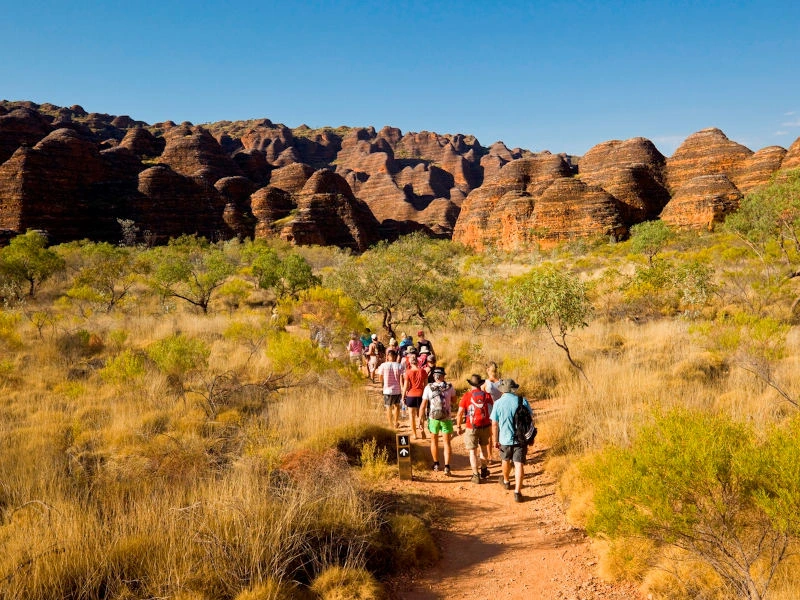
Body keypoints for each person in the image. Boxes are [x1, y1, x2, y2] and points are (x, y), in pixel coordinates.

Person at [490, 379, 534, 502]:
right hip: (520, 439)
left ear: (503, 390)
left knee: (505, 460)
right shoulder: (522, 400)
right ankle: (517, 493)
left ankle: (506, 481)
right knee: (519, 464)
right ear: (513, 389)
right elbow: (531, 418)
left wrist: (495, 440)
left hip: (504, 438)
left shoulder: (498, 403)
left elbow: (494, 424)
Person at [456, 374, 494, 484]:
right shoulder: (487, 396)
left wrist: (458, 426)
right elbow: (491, 411)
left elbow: (460, 413)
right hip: (485, 426)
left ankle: (475, 475)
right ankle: (484, 469)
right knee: (483, 448)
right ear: (480, 384)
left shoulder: (467, 396)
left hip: (471, 427)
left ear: (471, 385)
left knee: (472, 451)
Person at [420, 366, 455, 475]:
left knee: (434, 441)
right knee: (447, 443)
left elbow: (423, 405)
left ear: (434, 376)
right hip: (446, 418)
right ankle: (447, 467)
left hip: (433, 418)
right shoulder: (450, 387)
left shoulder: (428, 387)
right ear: (443, 376)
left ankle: (436, 464)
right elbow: (454, 400)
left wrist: (420, 419)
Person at [401, 350, 428, 440]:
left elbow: (405, 386)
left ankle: (414, 434)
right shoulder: (423, 371)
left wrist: (403, 396)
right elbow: (426, 385)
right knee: (421, 415)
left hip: (411, 395)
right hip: (421, 395)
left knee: (411, 416)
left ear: (409, 362)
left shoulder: (408, 372)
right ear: (417, 361)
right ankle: (422, 430)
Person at [376, 349, 405, 428]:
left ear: (388, 357)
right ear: (395, 356)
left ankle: (390, 424)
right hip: (397, 390)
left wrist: (384, 383)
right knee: (397, 406)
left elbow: (380, 378)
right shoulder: (399, 366)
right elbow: (402, 378)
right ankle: (396, 422)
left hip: (387, 390)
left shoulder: (383, 365)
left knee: (388, 407)